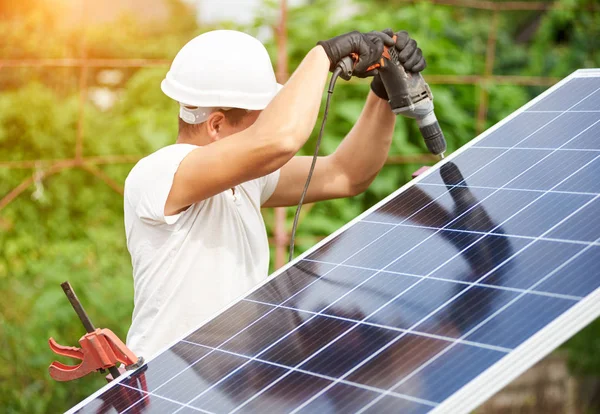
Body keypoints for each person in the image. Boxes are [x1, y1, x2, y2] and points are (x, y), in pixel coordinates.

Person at [123, 28, 427, 360]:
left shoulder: (243, 181)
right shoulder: (160, 174)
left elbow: (346, 174)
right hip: (164, 384)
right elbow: (279, 140)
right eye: (262, 117)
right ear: (216, 125)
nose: (269, 124)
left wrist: (382, 89)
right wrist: (323, 55)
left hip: (224, 384)